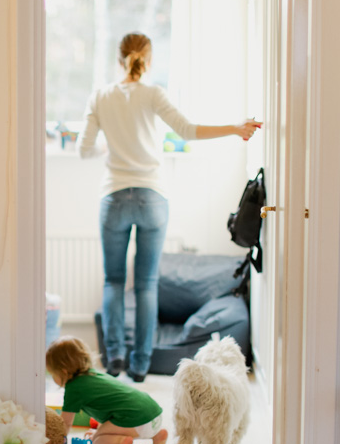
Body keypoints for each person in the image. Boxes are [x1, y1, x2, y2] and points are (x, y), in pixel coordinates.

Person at [76, 32, 261, 382]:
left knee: (113, 281)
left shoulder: (100, 96)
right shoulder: (153, 93)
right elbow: (187, 131)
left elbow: (85, 149)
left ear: (121, 59)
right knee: (146, 284)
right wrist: (236, 128)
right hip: (152, 197)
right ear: (148, 59)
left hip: (114, 197)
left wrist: (109, 149)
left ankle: (114, 357)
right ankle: (141, 364)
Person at [46, 336, 168, 444]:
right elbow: (109, 406)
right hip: (154, 416)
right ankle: (157, 435)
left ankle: (122, 441)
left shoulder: (74, 388)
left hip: (137, 421)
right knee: (101, 431)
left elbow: (66, 423)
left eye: (53, 374)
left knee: (97, 442)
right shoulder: (94, 374)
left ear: (64, 371)